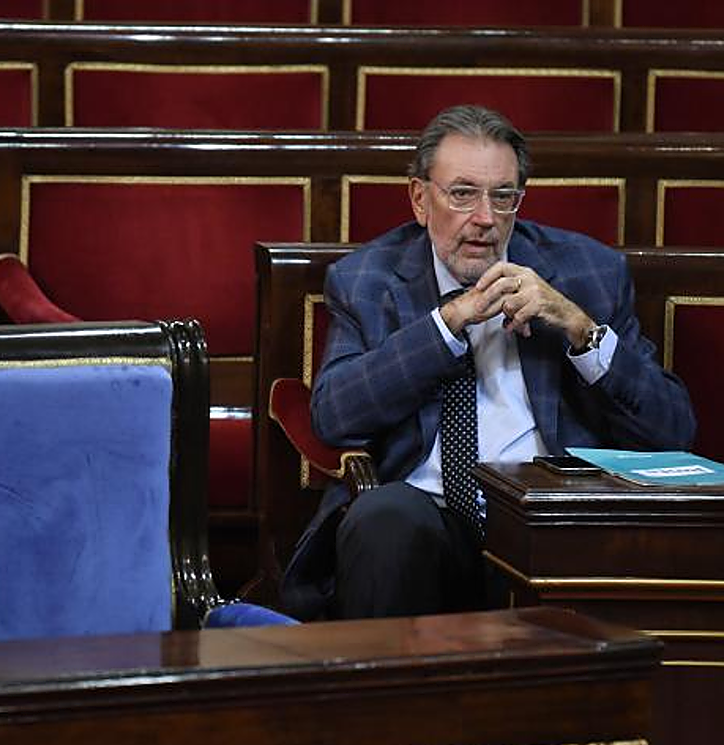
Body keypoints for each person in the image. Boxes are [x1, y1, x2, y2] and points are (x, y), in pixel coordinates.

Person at [282, 104, 697, 621]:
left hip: (543, 522)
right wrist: (448, 323)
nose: (485, 219)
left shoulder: (587, 271)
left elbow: (672, 429)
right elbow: (335, 414)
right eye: (462, 194)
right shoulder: (367, 280)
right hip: (424, 520)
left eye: (503, 197)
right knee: (383, 518)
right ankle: (384, 701)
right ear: (419, 198)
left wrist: (579, 328)